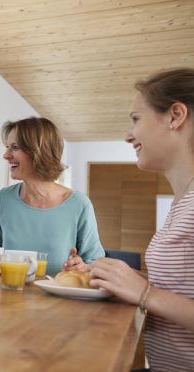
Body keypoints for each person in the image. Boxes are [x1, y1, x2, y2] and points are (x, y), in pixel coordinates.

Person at [89, 68, 194, 371]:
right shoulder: (181, 203)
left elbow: (155, 296)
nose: (127, 134)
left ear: (175, 116)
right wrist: (114, 277)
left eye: (136, 119)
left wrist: (144, 292)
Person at [0, 117, 105, 275]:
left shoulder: (79, 204)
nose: (6, 155)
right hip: (9, 296)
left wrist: (81, 266)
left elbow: (95, 262)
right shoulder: (3, 199)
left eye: (14, 148)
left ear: (39, 152)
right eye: (7, 147)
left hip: (59, 299)